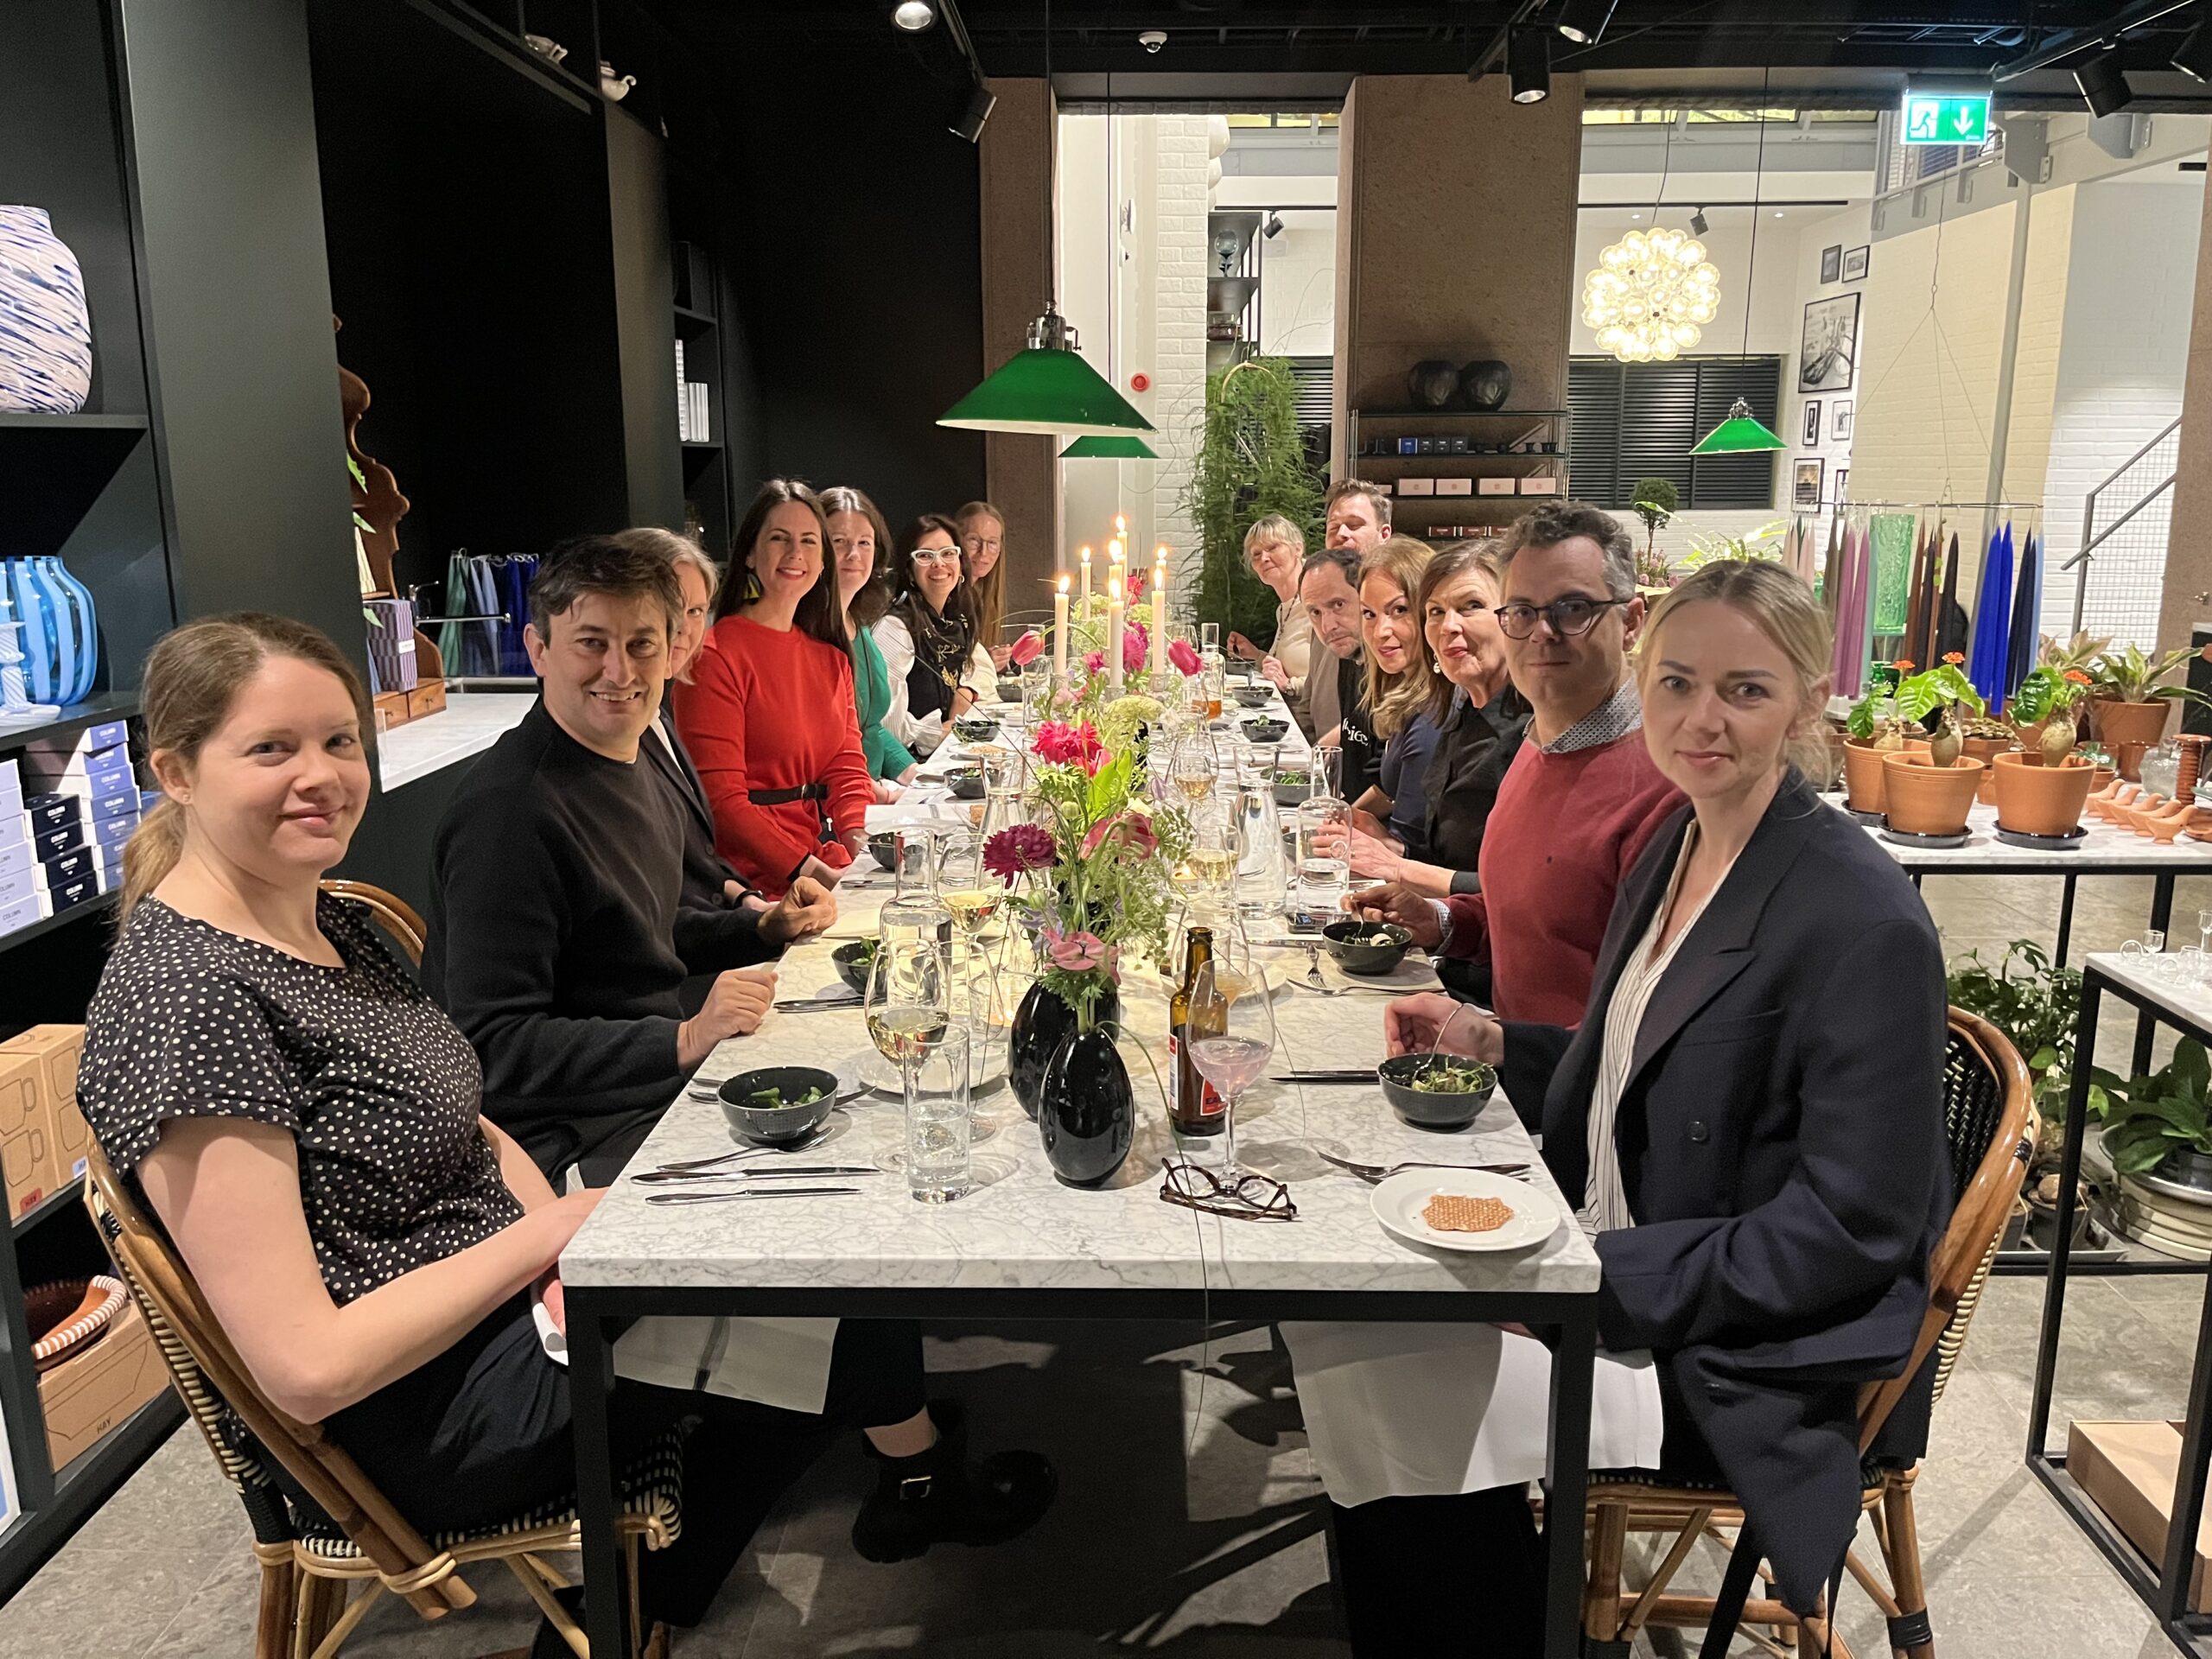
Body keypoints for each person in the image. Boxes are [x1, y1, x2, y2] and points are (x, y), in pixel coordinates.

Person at [81, 614, 1055, 1651]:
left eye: (338, 742)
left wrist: (552, 1234)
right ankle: (651, 1601)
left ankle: (653, 1595)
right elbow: (308, 1369)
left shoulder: (320, 919)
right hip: (435, 1409)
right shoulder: (191, 1004)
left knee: (813, 1237)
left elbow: (466, 1114)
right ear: (174, 772)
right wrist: (556, 1236)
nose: (320, 776)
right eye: (271, 749)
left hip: (503, 1303)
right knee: (820, 1294)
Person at [1294, 561, 1948, 1650]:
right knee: (1339, 1316)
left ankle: (1477, 1614)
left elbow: (1852, 1229)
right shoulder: (1682, 843)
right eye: (1677, 683)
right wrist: (1495, 1040)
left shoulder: (1861, 919)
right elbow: (1637, 1068)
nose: (1701, 719)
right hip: (1608, 1248)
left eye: (1744, 689)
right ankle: (1471, 1594)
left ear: (1806, 704)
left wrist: (1589, 1282)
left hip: (1728, 1347)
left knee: (1387, 1388)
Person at [426, 539, 830, 1187]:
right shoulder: (507, 813)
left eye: (641, 644)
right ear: (538, 649)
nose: (619, 671)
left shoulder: (638, 756)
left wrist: (761, 928)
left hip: (652, 1089)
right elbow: (492, 1045)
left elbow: (640, 929)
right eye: (592, 643)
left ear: (671, 652)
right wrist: (683, 1039)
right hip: (565, 1141)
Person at [1348, 502, 1681, 1027]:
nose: (1542, 632)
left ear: (1631, 622)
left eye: (1572, 608)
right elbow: (1529, 916)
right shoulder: (1540, 742)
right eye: (1523, 611)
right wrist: (1440, 922)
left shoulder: (1669, 781)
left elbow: (1655, 1013)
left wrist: (1505, 1047)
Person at [611, 527, 836, 1013]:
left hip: (706, 947)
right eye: (669, 607)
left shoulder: (655, 722)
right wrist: (688, 1038)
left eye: (696, 610)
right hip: (659, 1008)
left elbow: (691, 863)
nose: (682, 628)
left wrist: (751, 909)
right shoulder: (546, 780)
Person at [677, 479, 874, 896]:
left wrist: (861, 841)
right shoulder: (714, 655)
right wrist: (814, 872)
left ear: (822, 561)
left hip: (817, 854)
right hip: (747, 879)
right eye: (779, 539)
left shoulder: (830, 657)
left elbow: (846, 766)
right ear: (750, 554)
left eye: (808, 541)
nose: (795, 553)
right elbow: (722, 802)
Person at [1334, 543, 1529, 902]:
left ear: (1514, 618)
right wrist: (1386, 845)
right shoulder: (1459, 713)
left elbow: (1520, 890)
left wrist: (1397, 867)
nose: (1449, 626)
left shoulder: (1532, 735)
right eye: (1436, 611)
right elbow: (1438, 857)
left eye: (1471, 606)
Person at [1344, 536, 1443, 856]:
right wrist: (1343, 817)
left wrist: (1377, 837)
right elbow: (1390, 790)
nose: (1380, 631)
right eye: (1369, 614)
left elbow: (1411, 852)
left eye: (1399, 610)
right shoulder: (1406, 692)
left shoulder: (1432, 717)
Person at [823, 486, 919, 801]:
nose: (854, 554)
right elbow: (826, 747)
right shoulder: (810, 633)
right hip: (840, 803)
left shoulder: (859, 624)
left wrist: (912, 772)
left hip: (873, 793)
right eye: (839, 541)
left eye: (864, 542)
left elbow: (871, 727)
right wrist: (884, 796)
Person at [873, 513, 995, 760]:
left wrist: (967, 691)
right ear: (910, 571)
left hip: (944, 753)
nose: (939, 564)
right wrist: (938, 732)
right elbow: (887, 725)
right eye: (925, 556)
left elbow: (981, 669)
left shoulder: (955, 619)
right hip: (908, 765)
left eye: (948, 553)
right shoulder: (895, 628)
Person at [1297, 546, 1382, 802]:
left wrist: (1346, 816)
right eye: (1315, 612)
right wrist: (1311, 759)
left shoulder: (1391, 669)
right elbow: (1351, 725)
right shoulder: (1349, 656)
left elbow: (1393, 787)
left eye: (1338, 605)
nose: (1328, 626)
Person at [1225, 515, 1316, 734]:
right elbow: (1286, 666)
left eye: (1273, 548)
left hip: (1313, 730)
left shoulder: (1316, 603)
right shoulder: (1285, 608)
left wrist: (1289, 685)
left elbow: (1334, 681)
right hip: (1287, 721)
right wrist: (1256, 655)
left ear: (1298, 548)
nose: (1264, 558)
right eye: (1256, 554)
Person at [956, 499, 1013, 672]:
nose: (984, 552)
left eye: (992, 543)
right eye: (974, 540)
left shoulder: (981, 595)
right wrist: (983, 664)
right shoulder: (946, 598)